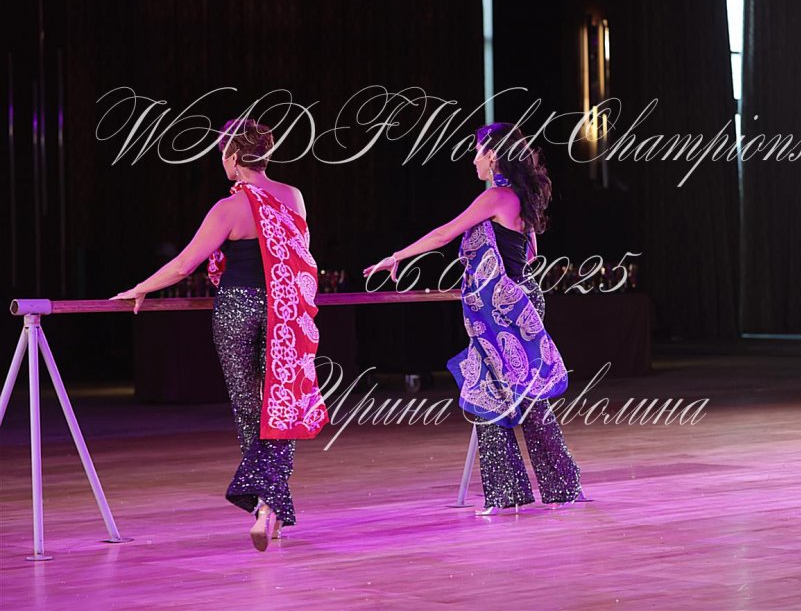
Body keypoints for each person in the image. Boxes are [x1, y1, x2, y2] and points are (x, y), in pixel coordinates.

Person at [112, 119, 328, 551]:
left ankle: (266, 505)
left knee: (250, 410)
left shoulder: (228, 208)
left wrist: (140, 288)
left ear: (233, 157)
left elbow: (184, 265)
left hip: (237, 310)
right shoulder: (294, 197)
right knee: (280, 405)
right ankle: (269, 507)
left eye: (220, 153)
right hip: (284, 312)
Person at [364, 122, 581, 515]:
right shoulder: (523, 197)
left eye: (478, 150)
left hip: (504, 310)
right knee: (517, 396)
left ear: (493, 155)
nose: (474, 158)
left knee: (492, 395)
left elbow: (444, 234)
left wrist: (395, 257)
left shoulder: (496, 197)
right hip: (520, 301)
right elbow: (531, 253)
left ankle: (511, 493)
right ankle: (558, 486)